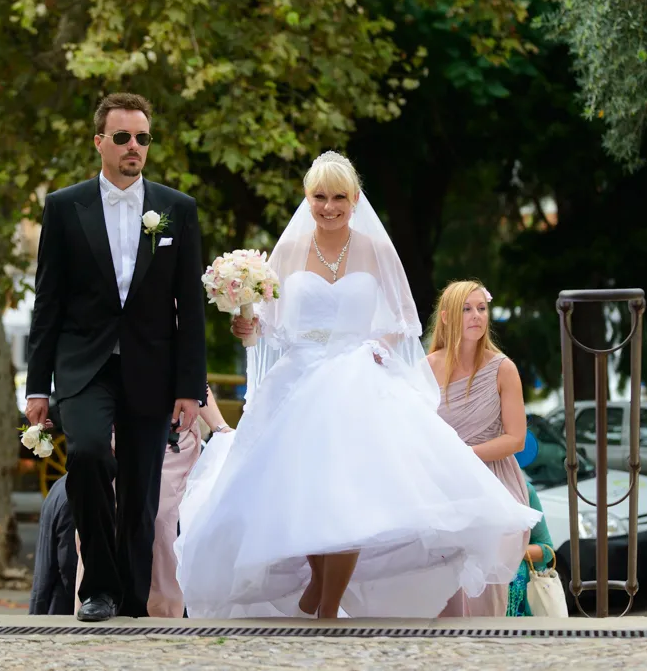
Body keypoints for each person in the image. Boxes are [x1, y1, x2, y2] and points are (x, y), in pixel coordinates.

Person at [175, 152, 539, 620]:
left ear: (355, 199)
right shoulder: (289, 251)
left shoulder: (374, 249)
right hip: (299, 379)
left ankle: (327, 606)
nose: (328, 207)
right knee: (303, 488)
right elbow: (270, 323)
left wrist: (374, 348)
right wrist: (248, 326)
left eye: (338, 197)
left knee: (350, 493)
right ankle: (318, 587)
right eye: (319, 197)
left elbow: (403, 322)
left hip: (354, 378)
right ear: (307, 199)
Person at [23, 92, 208, 621]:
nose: (134, 147)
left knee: (141, 493)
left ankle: (129, 600)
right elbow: (47, 303)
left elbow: (189, 309)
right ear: (99, 142)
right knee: (86, 455)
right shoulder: (64, 207)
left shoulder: (178, 210)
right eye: (123, 137)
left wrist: (189, 389)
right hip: (83, 366)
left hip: (153, 370)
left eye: (143, 138)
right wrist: (38, 387)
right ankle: (97, 588)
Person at [70, 385, 232, 618]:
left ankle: (161, 614)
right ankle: (97, 601)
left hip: (166, 438)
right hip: (106, 435)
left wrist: (220, 428)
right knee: (101, 522)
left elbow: (193, 372)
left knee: (160, 524)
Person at [427, 280, 533, 618]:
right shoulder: (424, 368)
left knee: (484, 589)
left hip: (493, 483)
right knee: (442, 584)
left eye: (482, 308)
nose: (476, 316)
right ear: (446, 317)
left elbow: (516, 438)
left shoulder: (503, 368)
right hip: (441, 483)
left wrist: (464, 456)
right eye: (466, 309)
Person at [29, 473, 77, 615]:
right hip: (62, 606)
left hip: (47, 597)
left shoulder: (61, 484)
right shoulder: (76, 494)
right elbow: (69, 563)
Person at [507, 480, 555, 617]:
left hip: (518, 608)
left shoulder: (524, 490)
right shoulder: (458, 491)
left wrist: (509, 550)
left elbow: (546, 550)